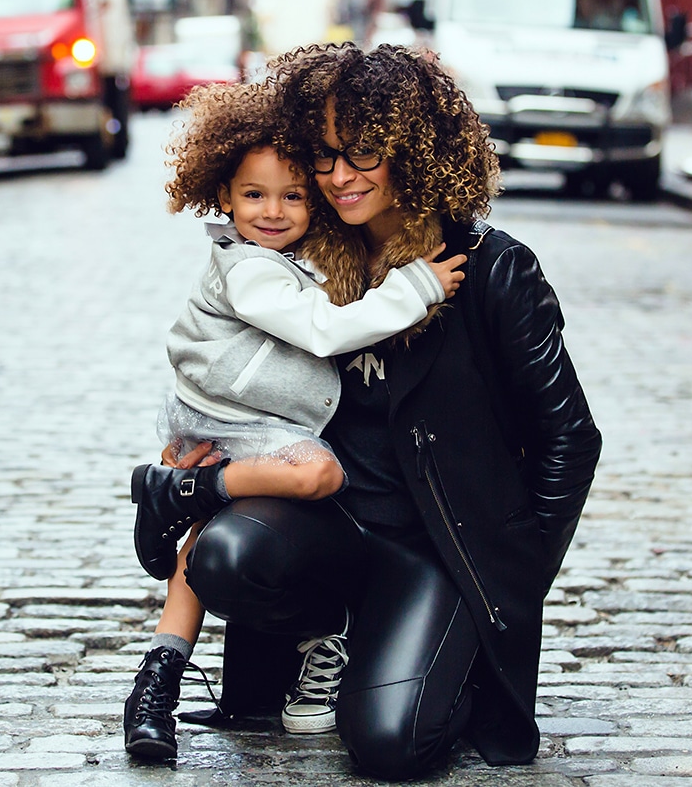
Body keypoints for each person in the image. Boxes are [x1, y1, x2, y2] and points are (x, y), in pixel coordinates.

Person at [174, 42, 603, 781]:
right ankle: (330, 636)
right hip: (333, 526)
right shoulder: (304, 257)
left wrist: (511, 580)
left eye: (363, 154)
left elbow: (570, 437)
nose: (339, 177)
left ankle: (436, 655)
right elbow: (233, 372)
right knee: (226, 557)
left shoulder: (492, 269)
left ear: (414, 149)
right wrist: (200, 459)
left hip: (436, 550)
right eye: (325, 155)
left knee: (389, 746)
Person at [123, 78, 467, 763]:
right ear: (223, 196)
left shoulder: (294, 256)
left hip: (235, 415)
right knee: (318, 472)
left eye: (292, 195)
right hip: (236, 415)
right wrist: (418, 287)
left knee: (202, 534)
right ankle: (193, 494)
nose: (274, 211)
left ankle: (156, 671)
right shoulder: (248, 269)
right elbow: (321, 330)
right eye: (254, 196)